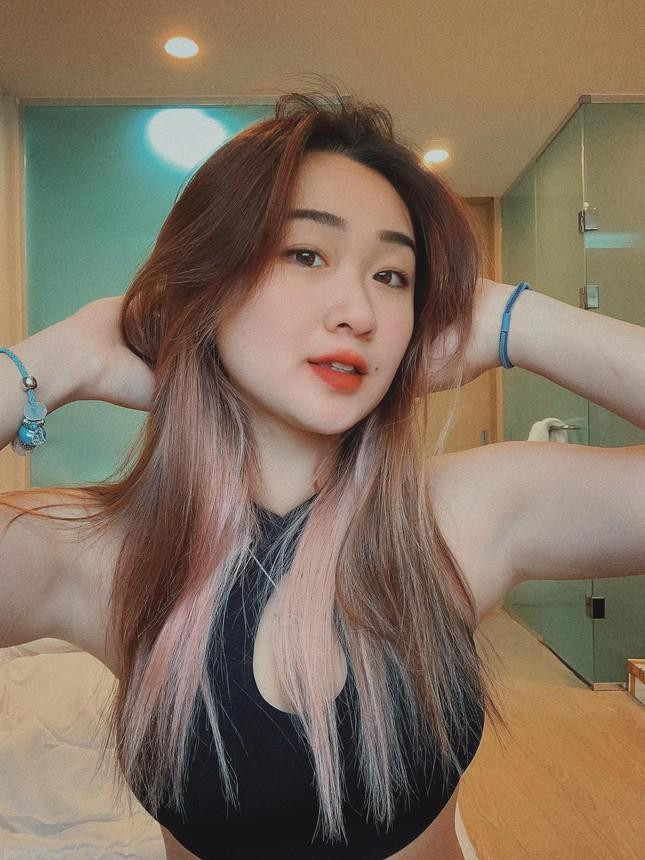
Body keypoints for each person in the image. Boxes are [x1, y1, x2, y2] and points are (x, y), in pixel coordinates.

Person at [5, 82, 644, 859]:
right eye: (305, 254)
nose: (360, 312)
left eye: (392, 276)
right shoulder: (91, 552)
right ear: (206, 283)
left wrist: (512, 319)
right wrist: (58, 359)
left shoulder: (464, 514)